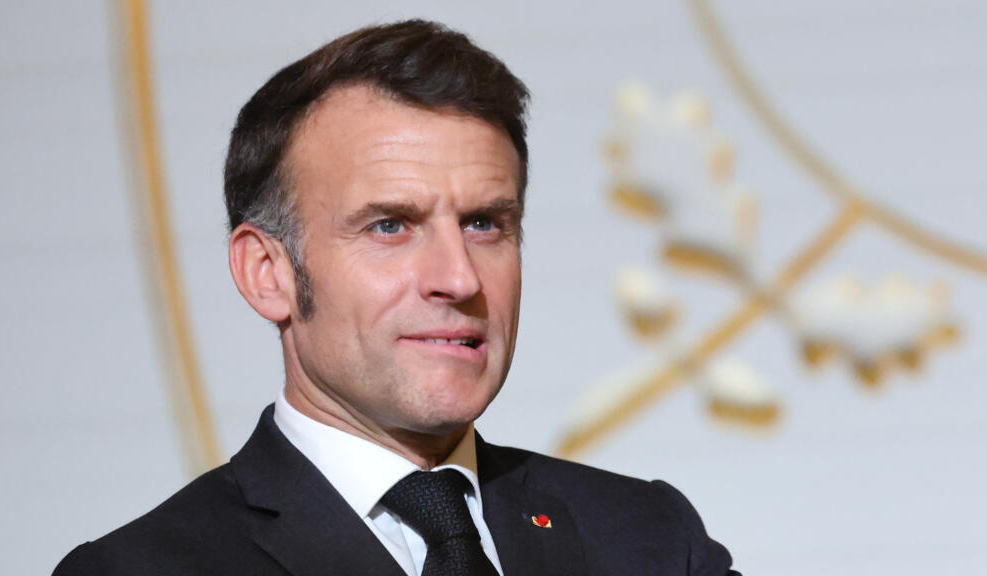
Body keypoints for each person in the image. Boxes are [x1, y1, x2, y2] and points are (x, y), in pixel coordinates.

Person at [53, 19, 738, 576]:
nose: (459, 278)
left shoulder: (650, 541)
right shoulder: (138, 569)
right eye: (390, 226)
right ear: (268, 273)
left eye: (484, 224)